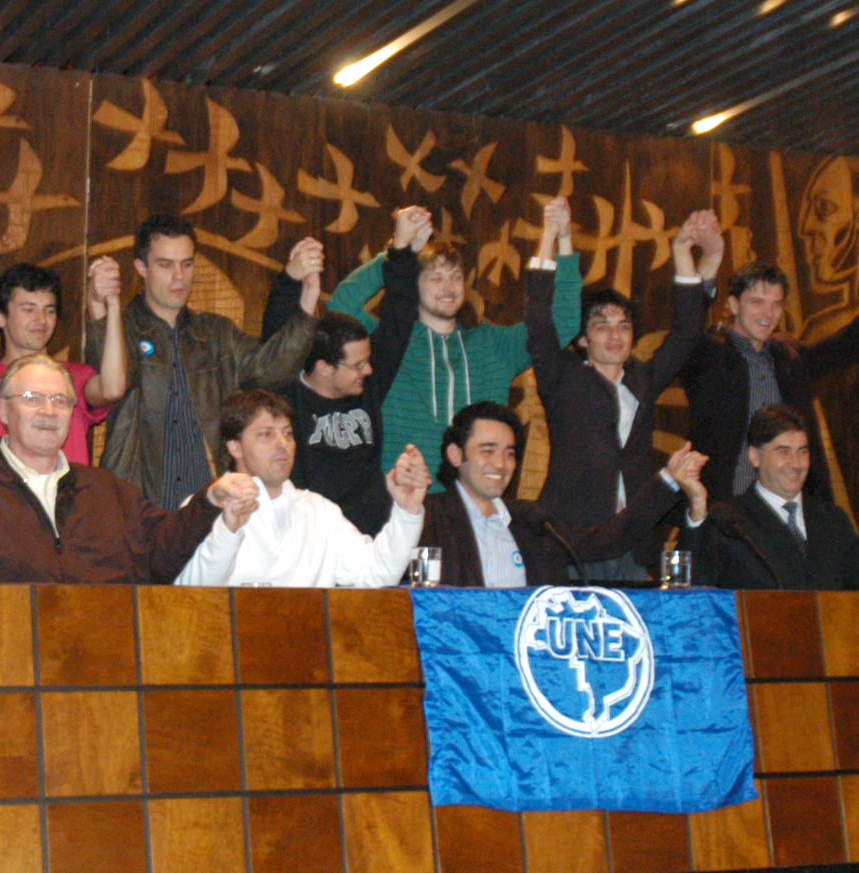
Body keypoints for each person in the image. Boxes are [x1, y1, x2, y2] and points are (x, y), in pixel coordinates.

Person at [0, 354, 260, 583]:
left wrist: (209, 500)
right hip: (1, 654)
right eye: (32, 399)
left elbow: (161, 554)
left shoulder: (109, 492)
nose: (48, 411)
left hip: (102, 656)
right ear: (3, 411)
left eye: (60, 401)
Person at [679, 236, 859, 507]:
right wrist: (709, 263)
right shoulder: (709, 355)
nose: (768, 313)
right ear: (734, 305)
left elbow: (853, 341)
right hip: (725, 509)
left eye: (776, 304)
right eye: (757, 302)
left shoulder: (788, 358)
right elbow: (687, 328)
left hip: (788, 509)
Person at [329, 204, 585, 486]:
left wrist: (563, 240)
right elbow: (340, 307)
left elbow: (562, 325)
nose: (448, 287)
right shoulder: (389, 342)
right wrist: (399, 252)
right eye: (436, 278)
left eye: (456, 277)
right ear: (414, 286)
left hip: (473, 497)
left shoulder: (492, 346)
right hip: (400, 494)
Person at [530, 198, 717, 579]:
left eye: (624, 326)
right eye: (602, 326)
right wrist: (551, 235)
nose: (615, 336)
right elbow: (538, 318)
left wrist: (682, 251)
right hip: (573, 542)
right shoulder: (562, 377)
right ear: (582, 339)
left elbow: (687, 333)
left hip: (634, 543)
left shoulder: (642, 379)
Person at [86, 214, 318, 508]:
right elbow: (111, 385)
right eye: (165, 265)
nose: (179, 276)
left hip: (208, 504)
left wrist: (308, 296)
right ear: (142, 267)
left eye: (187, 264)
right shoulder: (123, 328)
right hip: (138, 507)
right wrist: (99, 305)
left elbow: (271, 371)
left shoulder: (215, 332)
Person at [260, 206, 423, 535]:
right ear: (323, 368)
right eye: (358, 365)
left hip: (367, 537)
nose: (369, 370)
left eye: (367, 360)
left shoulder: (368, 386)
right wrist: (291, 278)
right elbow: (274, 336)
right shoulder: (285, 396)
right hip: (309, 539)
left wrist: (402, 249)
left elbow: (400, 315)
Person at [416, 400, 696, 588]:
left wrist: (668, 480)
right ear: (456, 454)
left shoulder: (530, 522)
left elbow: (609, 539)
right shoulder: (427, 517)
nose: (501, 464)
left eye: (509, 453)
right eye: (487, 451)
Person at [176, 389, 429, 587]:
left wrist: (407, 512)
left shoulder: (321, 512)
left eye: (287, 433)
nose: (282, 444)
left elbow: (375, 575)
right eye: (266, 434)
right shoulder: (202, 509)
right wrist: (227, 531)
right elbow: (190, 594)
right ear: (235, 447)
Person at [0, 258, 127, 463]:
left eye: (49, 310)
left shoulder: (72, 376)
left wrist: (111, 303)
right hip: (1, 484)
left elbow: (112, 389)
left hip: (65, 484)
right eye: (28, 310)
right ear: (0, 317)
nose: (41, 319)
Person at [679, 405, 859, 591]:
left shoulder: (832, 519)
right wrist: (697, 506)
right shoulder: (729, 520)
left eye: (802, 452)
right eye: (783, 451)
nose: (796, 464)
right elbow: (694, 587)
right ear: (754, 456)